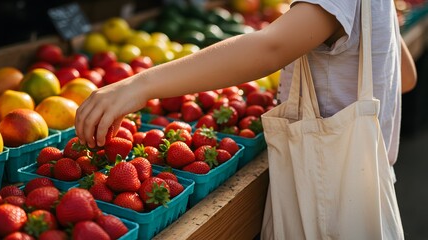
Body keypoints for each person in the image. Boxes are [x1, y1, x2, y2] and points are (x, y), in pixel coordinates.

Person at [75, 0, 416, 236]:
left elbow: (271, 47)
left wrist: (141, 84)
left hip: (325, 195)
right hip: (368, 181)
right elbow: (406, 75)